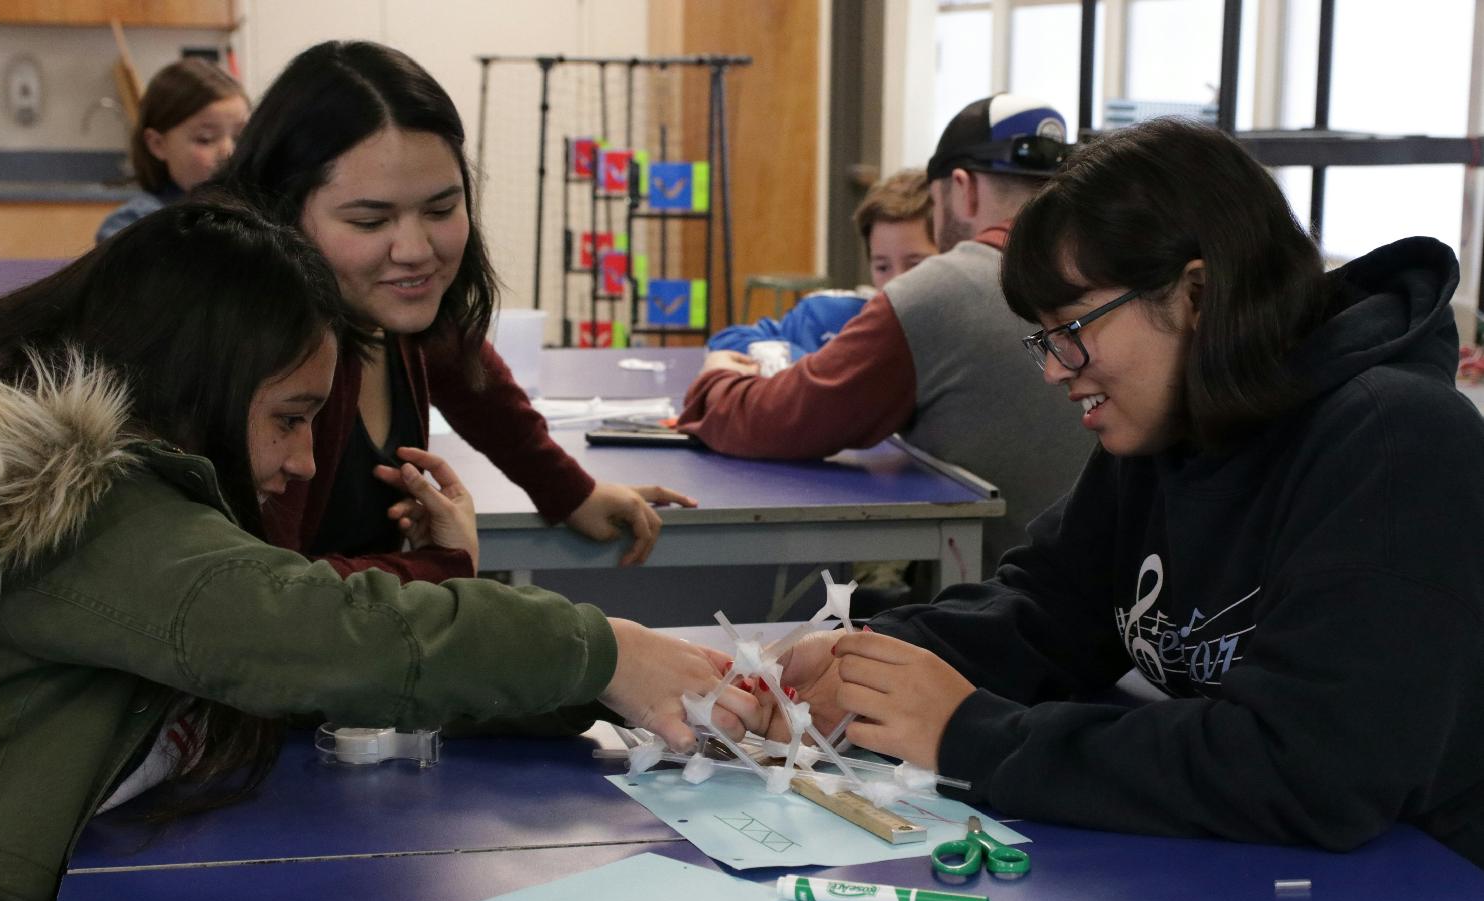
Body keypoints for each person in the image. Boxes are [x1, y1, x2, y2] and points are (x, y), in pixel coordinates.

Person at [0, 200, 757, 901]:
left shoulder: (142, 509)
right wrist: (602, 652)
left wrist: (597, 690)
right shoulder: (85, 516)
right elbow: (315, 635)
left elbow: (327, 675)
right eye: (290, 420)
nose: (307, 462)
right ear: (194, 384)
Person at [769, 118, 1484, 867]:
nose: (1054, 369)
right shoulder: (1172, 428)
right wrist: (867, 665)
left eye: (1072, 327)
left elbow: (1312, 768)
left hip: (1432, 894)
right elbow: (1047, 611)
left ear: (1199, 295)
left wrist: (968, 735)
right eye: (1044, 337)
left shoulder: (1393, 444)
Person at [213, 41, 686, 579]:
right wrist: (439, 565)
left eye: (441, 208)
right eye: (370, 222)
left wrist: (572, 490)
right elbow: (262, 595)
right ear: (283, 210)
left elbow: (474, 382)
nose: (415, 250)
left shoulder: (384, 308)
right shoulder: (259, 350)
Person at [679, 95, 1095, 569]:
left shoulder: (942, 290)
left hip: (1004, 603)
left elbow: (777, 420)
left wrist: (717, 381)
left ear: (962, 189)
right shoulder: (1106, 275)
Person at [705, 168, 937, 360]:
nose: (895, 283)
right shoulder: (827, 315)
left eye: (915, 265)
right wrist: (806, 367)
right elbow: (728, 340)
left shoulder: (958, 340)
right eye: (882, 267)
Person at [95, 57, 248, 243]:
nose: (228, 152)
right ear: (157, 144)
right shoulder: (132, 224)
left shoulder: (256, 216)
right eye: (205, 139)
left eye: (240, 137)